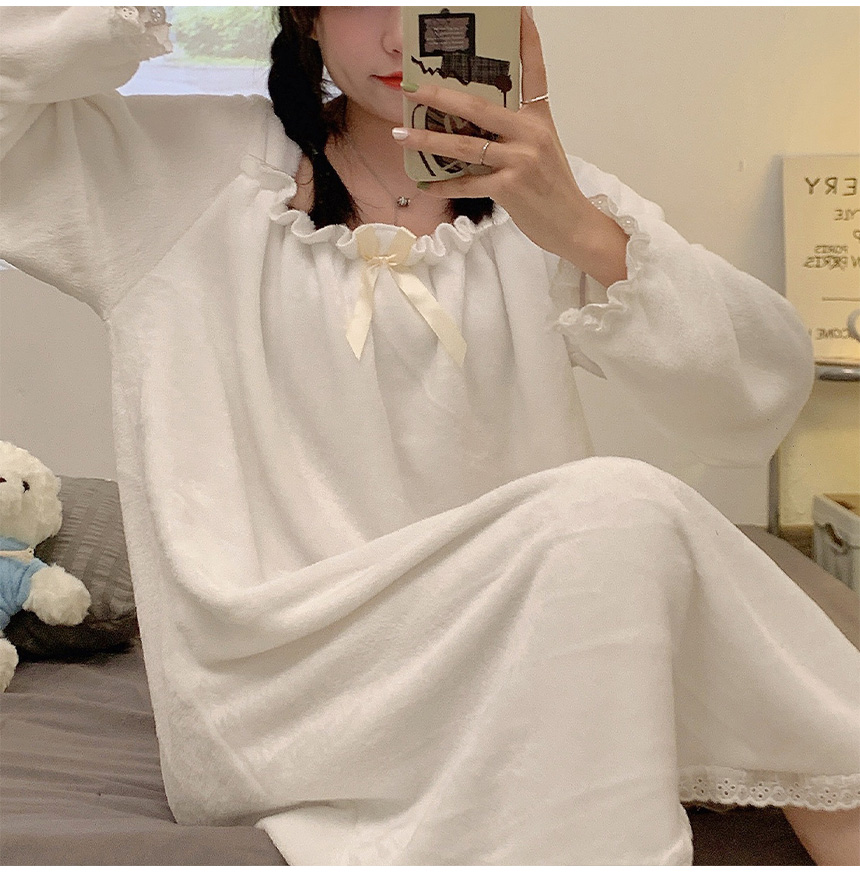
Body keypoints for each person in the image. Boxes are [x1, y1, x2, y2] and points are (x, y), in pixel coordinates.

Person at [1, 5, 858, 865]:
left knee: (626, 526)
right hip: (278, 688)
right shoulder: (179, 171)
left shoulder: (541, 191)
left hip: (509, 654)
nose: (399, 38)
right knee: (621, 509)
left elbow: (755, 397)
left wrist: (584, 231)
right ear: (307, 17)